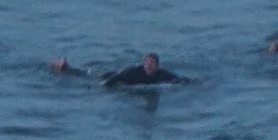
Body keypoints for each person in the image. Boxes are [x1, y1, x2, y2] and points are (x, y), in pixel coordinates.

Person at [48, 52, 193, 87]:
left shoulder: (162, 74)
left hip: (126, 82)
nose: (148, 66)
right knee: (89, 76)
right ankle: (64, 68)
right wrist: (104, 87)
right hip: (115, 75)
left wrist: (197, 83)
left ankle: (65, 67)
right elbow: (115, 78)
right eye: (146, 63)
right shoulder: (134, 71)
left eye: (152, 64)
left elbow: (179, 79)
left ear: (157, 65)